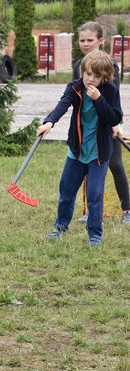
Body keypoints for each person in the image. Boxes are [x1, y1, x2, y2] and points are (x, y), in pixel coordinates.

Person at [39, 50, 122, 246]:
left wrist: (98, 99)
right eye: (88, 74)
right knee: (66, 191)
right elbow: (63, 104)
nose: (90, 79)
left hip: (98, 153)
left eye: (96, 76)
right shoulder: (75, 87)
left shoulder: (110, 91)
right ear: (82, 71)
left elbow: (114, 117)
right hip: (76, 151)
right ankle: (60, 228)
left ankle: (95, 234)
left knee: (94, 194)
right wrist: (50, 122)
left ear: (104, 77)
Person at [72, 21, 130, 224]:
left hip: (109, 122)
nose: (85, 44)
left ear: (101, 40)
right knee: (90, 165)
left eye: (90, 40)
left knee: (115, 164)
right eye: (82, 40)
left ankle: (127, 210)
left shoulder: (110, 64)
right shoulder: (79, 65)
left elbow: (114, 97)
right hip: (89, 126)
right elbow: (75, 94)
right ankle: (92, 211)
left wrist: (115, 124)